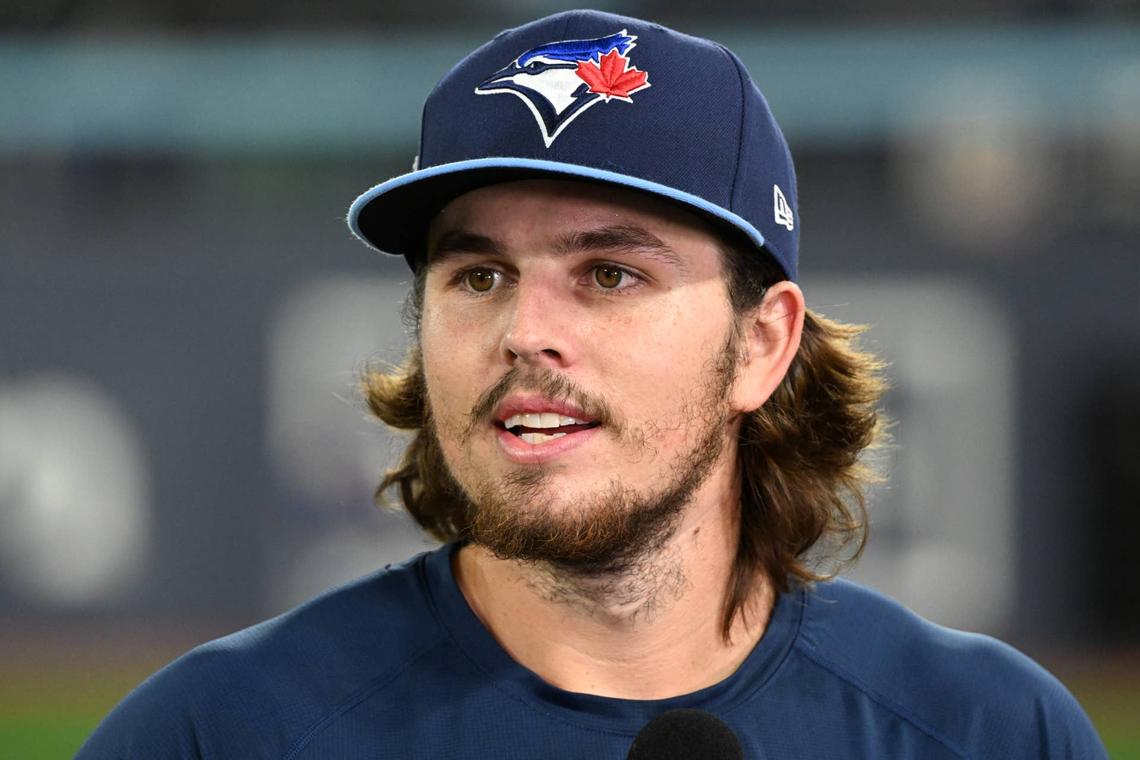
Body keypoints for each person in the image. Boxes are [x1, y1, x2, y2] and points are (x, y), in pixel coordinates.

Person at [78, 9, 1106, 758]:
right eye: (478, 275)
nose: (526, 331)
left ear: (761, 344)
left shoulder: (988, 732)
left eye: (610, 274)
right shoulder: (219, 733)